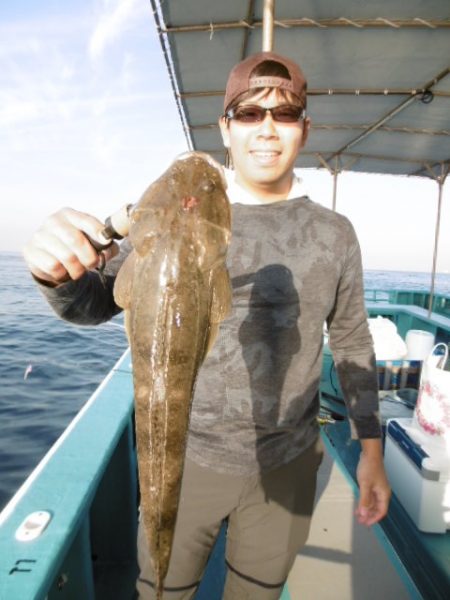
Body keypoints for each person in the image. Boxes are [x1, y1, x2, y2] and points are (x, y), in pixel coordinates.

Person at [23, 51, 391, 599]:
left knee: (257, 591)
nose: (267, 128)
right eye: (249, 113)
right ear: (225, 127)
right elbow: (95, 304)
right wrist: (54, 272)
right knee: (162, 587)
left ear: (304, 128)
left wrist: (372, 454)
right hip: (191, 457)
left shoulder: (335, 234)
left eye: (285, 114)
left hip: (286, 462)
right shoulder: (170, 221)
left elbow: (353, 340)